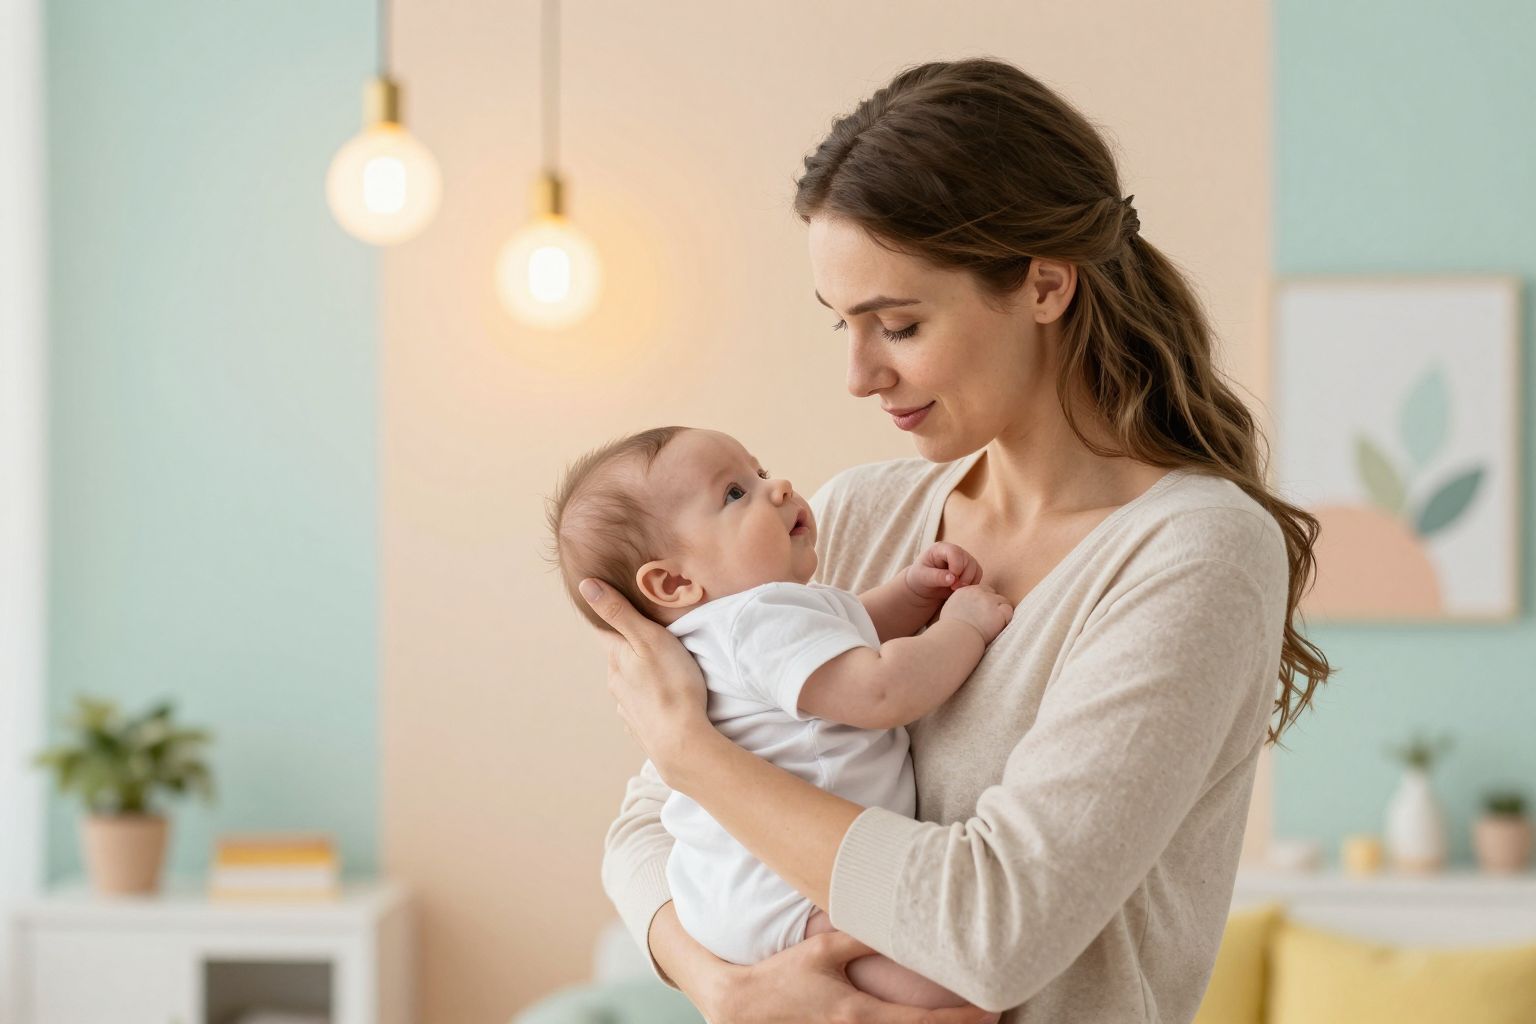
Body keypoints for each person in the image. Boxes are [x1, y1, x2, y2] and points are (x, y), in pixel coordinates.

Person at [584, 58, 1332, 1023]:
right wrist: (726, 987)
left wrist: (692, 753)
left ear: (1046, 286)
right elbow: (649, 828)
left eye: (896, 324)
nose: (859, 375)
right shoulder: (857, 517)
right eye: (843, 326)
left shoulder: (1194, 555)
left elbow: (994, 927)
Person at [547, 424, 1014, 1007]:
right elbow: (879, 690)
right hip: (789, 896)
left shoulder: (728, 632)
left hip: (730, 895)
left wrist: (913, 594)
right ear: (673, 581)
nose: (777, 487)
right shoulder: (754, 621)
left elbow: (843, 639)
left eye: (759, 471)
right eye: (734, 494)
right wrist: (961, 626)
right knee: (949, 989)